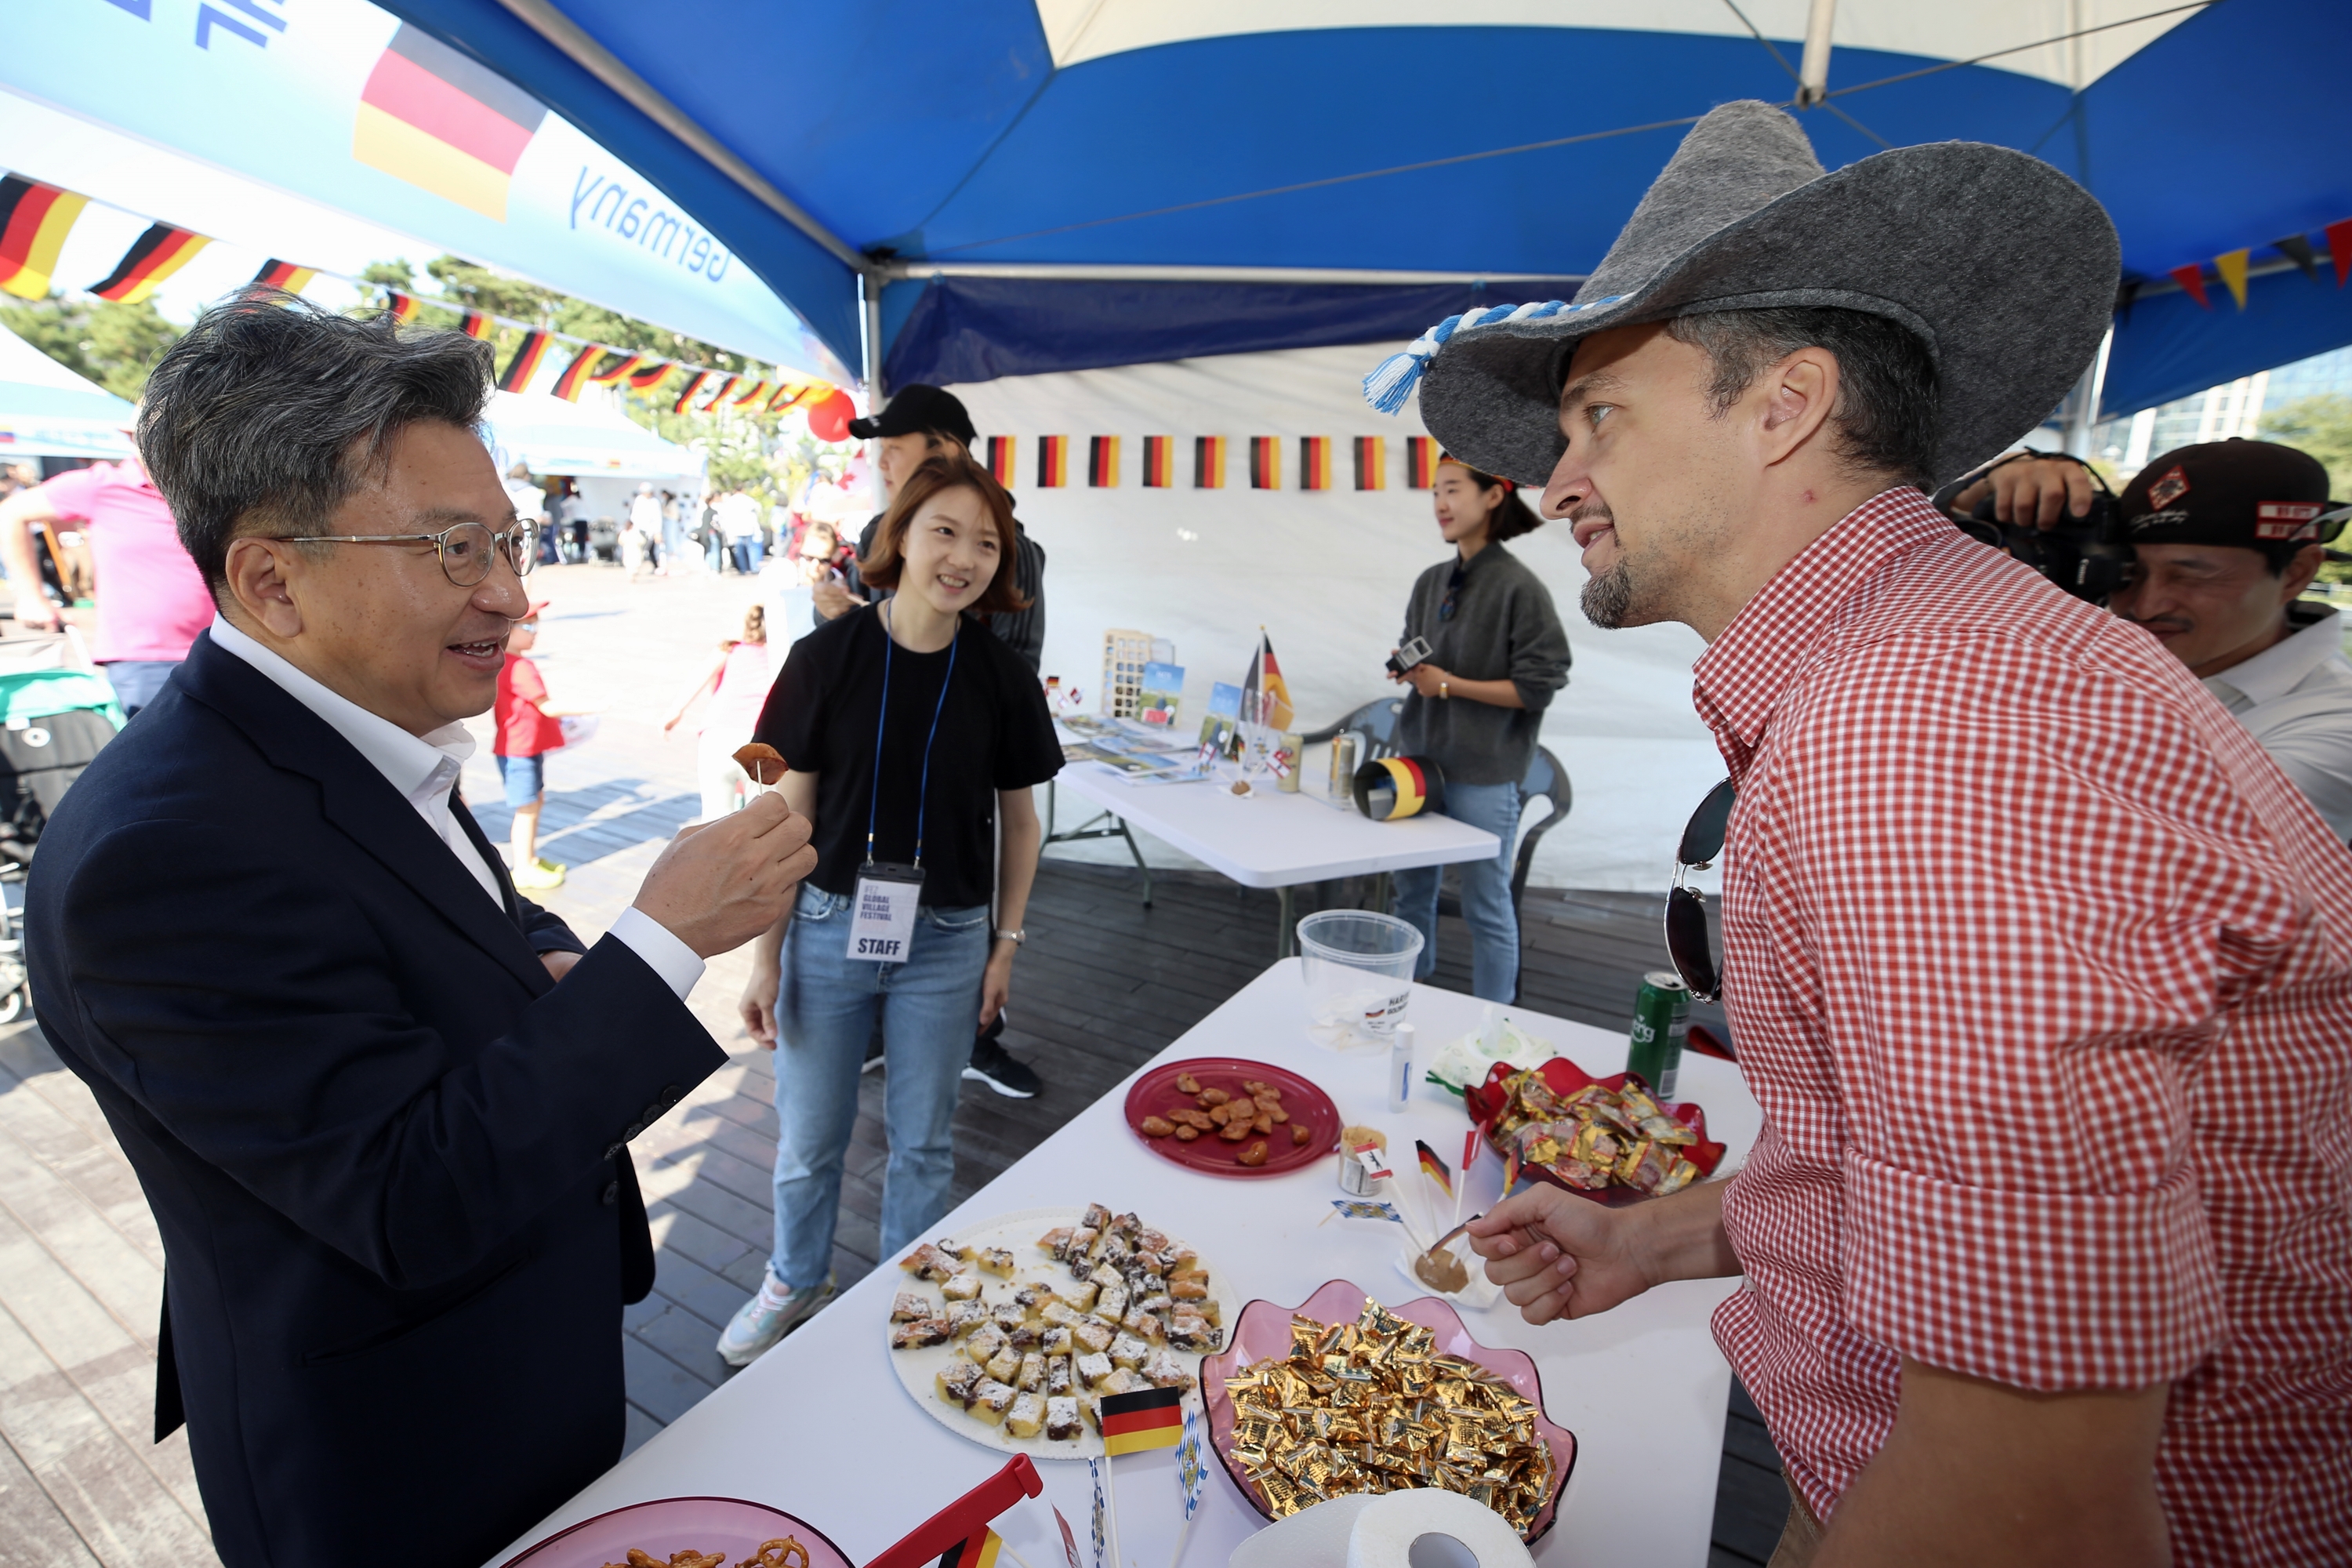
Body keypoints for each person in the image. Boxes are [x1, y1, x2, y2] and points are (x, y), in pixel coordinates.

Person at [1396, 102, 2352, 1564]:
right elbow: (1912, 1166)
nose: (1557, 481)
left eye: (1601, 417)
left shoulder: (1922, 737)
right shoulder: (1953, 658)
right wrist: (1658, 1234)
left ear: (1784, 406)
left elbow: (2035, 1500)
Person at [24, 294, 815, 1568]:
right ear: (271, 580)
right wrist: (662, 939)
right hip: (391, 1451)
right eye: (453, 548)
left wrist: (555, 958)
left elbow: (448, 907)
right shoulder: (162, 855)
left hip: (513, 1354)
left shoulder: (331, 731)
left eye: (509, 540)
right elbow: (405, 1197)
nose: (511, 593)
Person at [716, 452, 1061, 1366]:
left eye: (987, 543)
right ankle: (796, 1277)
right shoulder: (823, 657)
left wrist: (1005, 945)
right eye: (945, 531)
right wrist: (765, 955)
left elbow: (1022, 823)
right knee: (809, 1138)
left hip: (948, 940)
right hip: (828, 924)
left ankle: (909, 1297)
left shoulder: (1001, 674)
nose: (965, 557)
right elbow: (786, 810)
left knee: (925, 1142)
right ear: (898, 537)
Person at [1943, 440, 2352, 837]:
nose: (2146, 606)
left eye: (2192, 575)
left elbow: (2128, 839)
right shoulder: (2105, 653)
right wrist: (1967, 503)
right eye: (2128, 572)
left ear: (2297, 573)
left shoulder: (2334, 724)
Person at [1385, 456, 1569, 1001]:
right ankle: (1409, 998)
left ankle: (1497, 1025)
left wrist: (1447, 685)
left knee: (1486, 905)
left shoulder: (1520, 587)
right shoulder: (1430, 581)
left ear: (1493, 496)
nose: (1440, 503)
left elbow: (1538, 687)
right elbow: (1416, 648)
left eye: (1452, 490)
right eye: (1435, 492)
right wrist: (1410, 670)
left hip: (1484, 774)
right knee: (1410, 891)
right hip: (1418, 766)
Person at [816, 384, 1047, 674]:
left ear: (947, 453)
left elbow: (1018, 672)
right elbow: (846, 625)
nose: (882, 464)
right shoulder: (878, 533)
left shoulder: (1011, 548)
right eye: (881, 449)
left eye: (895, 448)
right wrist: (827, 607)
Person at [2, 452, 214, 716]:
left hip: (227, 649)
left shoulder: (211, 486)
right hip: (148, 658)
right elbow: (12, 512)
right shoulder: (103, 484)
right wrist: (31, 596)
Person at [665, 603, 774, 822]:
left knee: (714, 819)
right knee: (761, 821)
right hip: (759, 739)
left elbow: (701, 674)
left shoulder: (730, 647)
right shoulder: (779, 654)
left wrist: (675, 711)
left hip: (717, 736)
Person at [495, 601, 574, 890]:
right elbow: (547, 707)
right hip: (520, 749)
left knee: (534, 802)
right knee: (527, 809)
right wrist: (594, 707)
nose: (534, 632)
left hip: (521, 746)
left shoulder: (506, 662)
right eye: (528, 626)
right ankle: (523, 868)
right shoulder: (519, 667)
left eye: (536, 626)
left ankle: (530, 858)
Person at [721, 488, 766, 574]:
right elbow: (754, 515)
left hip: (736, 530)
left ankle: (743, 569)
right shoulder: (749, 500)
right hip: (749, 528)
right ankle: (754, 567)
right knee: (751, 549)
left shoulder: (730, 501)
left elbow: (726, 517)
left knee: (739, 550)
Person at [629, 482, 664, 575]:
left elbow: (658, 518)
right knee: (637, 550)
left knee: (649, 550)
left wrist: (658, 532)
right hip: (640, 529)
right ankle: (635, 568)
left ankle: (656, 567)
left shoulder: (655, 502)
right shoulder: (639, 500)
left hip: (651, 531)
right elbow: (634, 515)